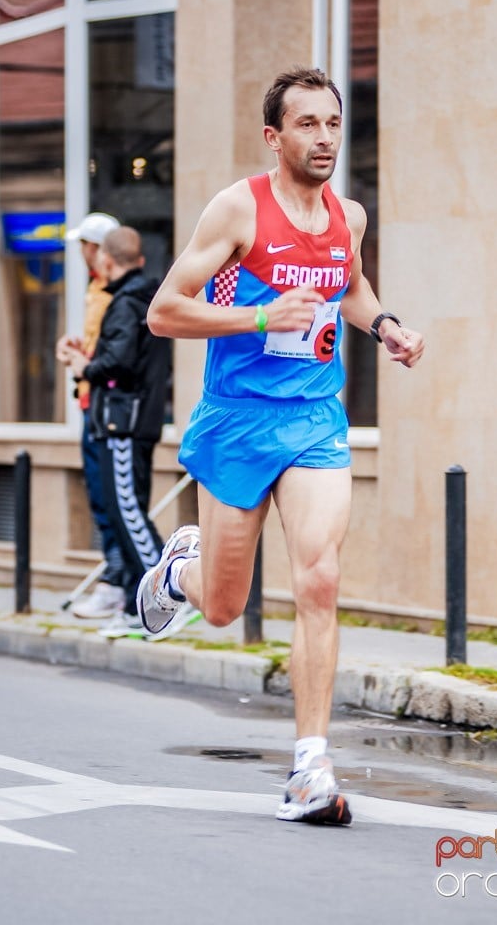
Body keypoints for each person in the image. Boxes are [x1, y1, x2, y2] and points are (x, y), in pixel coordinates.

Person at [136, 67, 424, 823]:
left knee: (320, 579)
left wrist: (386, 325)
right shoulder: (237, 210)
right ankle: (180, 571)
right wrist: (262, 320)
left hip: (315, 420)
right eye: (308, 124)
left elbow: (349, 285)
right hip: (236, 420)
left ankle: (309, 767)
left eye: (333, 123)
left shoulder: (349, 218)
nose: (325, 137)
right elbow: (166, 313)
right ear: (275, 135)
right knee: (226, 609)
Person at [63, 226, 185, 639]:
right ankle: (141, 606)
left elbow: (118, 361)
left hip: (124, 424)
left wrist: (83, 368)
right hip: (135, 421)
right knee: (127, 511)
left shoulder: (124, 302)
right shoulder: (143, 299)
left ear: (107, 262)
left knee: (128, 515)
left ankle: (165, 603)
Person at [57, 211, 126, 620]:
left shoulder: (117, 292)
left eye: (85, 245)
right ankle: (114, 579)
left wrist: (83, 362)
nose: (82, 253)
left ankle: (117, 583)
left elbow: (117, 356)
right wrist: (78, 349)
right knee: (102, 500)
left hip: (107, 408)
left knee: (111, 501)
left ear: (99, 249)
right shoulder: (98, 287)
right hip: (91, 402)